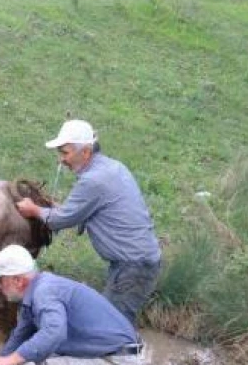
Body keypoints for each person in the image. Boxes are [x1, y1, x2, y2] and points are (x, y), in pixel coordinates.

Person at [15, 120, 161, 323]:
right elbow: (81, 212)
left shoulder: (94, 180)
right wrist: (57, 209)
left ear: (85, 152)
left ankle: (126, 353)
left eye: (65, 153)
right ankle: (122, 350)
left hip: (132, 266)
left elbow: (62, 220)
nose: (61, 160)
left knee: (111, 328)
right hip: (135, 261)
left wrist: (34, 210)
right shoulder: (112, 168)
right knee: (111, 323)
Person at [0, 245, 141, 365]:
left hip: (115, 362)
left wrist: (10, 361)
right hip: (109, 354)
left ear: (18, 280)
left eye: (0, 280)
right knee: (26, 360)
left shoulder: (44, 293)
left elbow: (54, 333)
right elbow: (20, 335)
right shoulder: (36, 291)